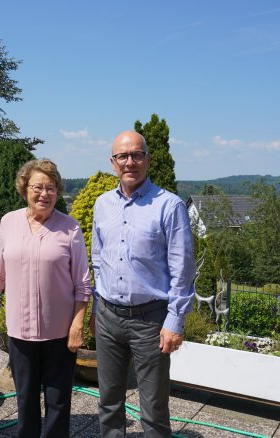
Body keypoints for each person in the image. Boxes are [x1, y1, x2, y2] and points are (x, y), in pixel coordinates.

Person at [90, 130, 196, 437]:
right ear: (113, 163)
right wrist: (97, 308)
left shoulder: (169, 206)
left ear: (147, 159)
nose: (130, 162)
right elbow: (99, 259)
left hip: (151, 321)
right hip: (109, 318)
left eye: (137, 155)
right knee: (109, 403)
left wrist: (175, 320)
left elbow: (183, 269)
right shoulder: (102, 205)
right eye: (122, 156)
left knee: (153, 409)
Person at [0, 159, 91, 438]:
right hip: (20, 334)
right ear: (25, 189)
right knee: (25, 401)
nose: (44, 194)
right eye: (37, 187)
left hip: (59, 334)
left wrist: (77, 325)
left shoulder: (70, 229)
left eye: (51, 188)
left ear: (58, 192)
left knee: (58, 402)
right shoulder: (8, 222)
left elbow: (83, 284)